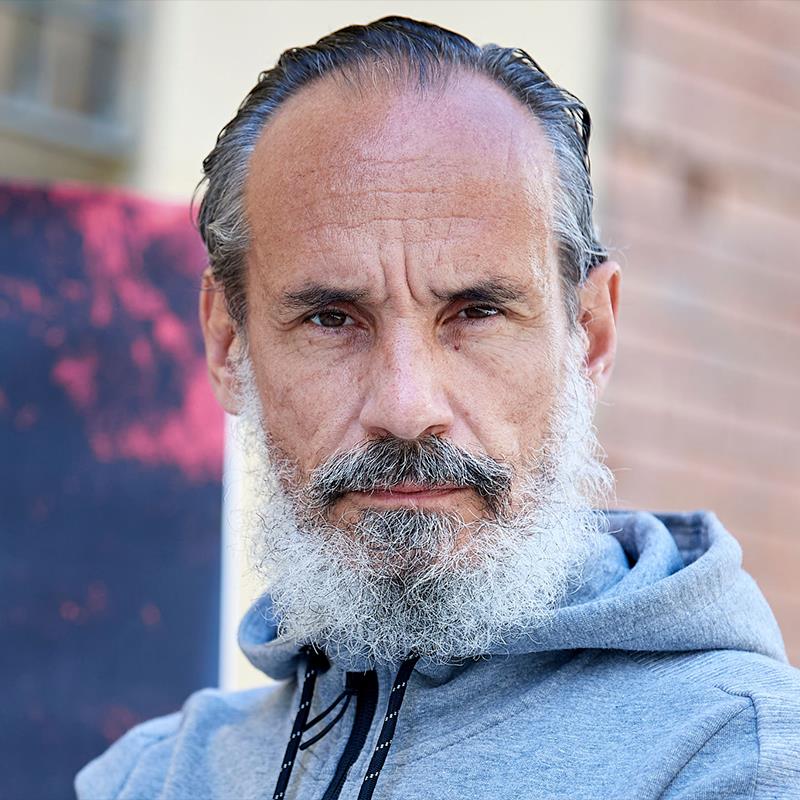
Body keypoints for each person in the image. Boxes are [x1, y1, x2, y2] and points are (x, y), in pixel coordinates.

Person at [76, 16, 800, 800]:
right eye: (331, 319)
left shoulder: (739, 759)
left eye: (477, 313)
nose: (406, 407)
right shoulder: (149, 778)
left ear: (589, 337)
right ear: (228, 346)